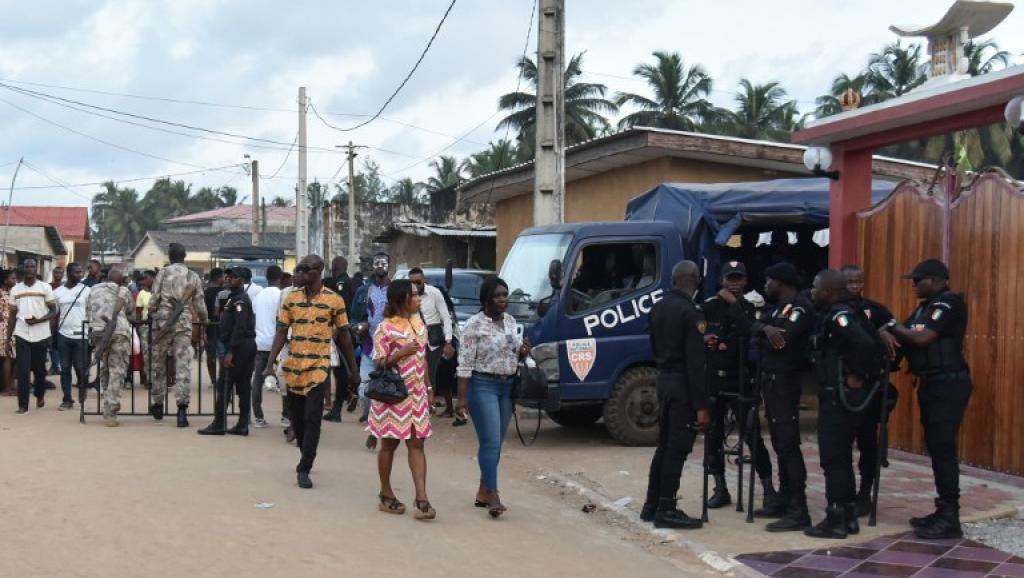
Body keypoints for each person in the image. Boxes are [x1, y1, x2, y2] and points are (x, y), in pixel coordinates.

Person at [883, 259, 971, 540]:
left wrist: (888, 323)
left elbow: (921, 339)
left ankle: (950, 517)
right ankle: (943, 509)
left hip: (949, 383)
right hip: (932, 383)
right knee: (935, 446)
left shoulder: (948, 304)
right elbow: (904, 337)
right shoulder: (925, 307)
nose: (914, 285)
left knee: (943, 448)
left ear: (936, 280)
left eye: (918, 280)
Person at [263, 255, 359, 489]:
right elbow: (281, 332)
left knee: (312, 418)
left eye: (307, 269)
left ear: (319, 271)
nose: (302, 273)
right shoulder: (291, 299)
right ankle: (305, 449)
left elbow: (345, 337)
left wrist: (353, 371)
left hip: (318, 367)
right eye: (300, 268)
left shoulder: (334, 300)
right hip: (294, 367)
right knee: (297, 419)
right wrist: (269, 365)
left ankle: (304, 467)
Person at [805, 269, 887, 539]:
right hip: (838, 395)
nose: (812, 291)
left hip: (839, 398)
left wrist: (857, 375)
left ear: (828, 291)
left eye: (816, 287)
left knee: (834, 459)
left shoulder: (840, 315)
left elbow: (865, 343)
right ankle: (849, 515)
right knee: (840, 457)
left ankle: (836, 518)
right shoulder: (841, 312)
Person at [635, 261, 710, 529]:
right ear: (696, 281)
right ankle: (667, 508)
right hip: (683, 387)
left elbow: (656, 346)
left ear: (673, 279)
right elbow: (696, 364)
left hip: (664, 381)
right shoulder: (692, 313)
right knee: (677, 449)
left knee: (664, 446)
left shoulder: (659, 307)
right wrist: (702, 406)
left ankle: (651, 504)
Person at [701, 261, 778, 512]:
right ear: (721, 281)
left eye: (738, 278)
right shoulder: (709, 307)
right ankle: (720, 487)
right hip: (715, 378)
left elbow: (751, 331)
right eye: (730, 278)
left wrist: (735, 305)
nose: (734, 283)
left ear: (745, 281)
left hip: (741, 379)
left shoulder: (751, 307)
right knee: (713, 435)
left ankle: (768, 489)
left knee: (751, 434)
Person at [456, 276, 531, 519]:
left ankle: (482, 490)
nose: (502, 299)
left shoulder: (510, 321)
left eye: (505, 295)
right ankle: (494, 494)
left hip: (506, 386)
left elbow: (513, 353)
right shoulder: (473, 325)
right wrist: (461, 399)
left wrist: (522, 352)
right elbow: (465, 363)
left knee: (496, 443)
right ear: (486, 299)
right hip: (482, 385)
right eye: (497, 295)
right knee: (489, 441)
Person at [753, 262, 814, 532]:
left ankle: (799, 509)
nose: (766, 285)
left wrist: (765, 332)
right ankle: (784, 499)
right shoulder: (778, 309)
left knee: (788, 444)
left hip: (785, 381)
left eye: (769, 280)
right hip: (771, 380)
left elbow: (783, 340)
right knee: (779, 442)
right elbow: (757, 330)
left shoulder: (800, 308)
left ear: (781, 282)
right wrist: (764, 330)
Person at [368, 279, 436, 520]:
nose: (419, 299)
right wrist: (400, 353)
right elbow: (378, 362)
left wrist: (429, 387)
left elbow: (422, 359)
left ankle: (422, 498)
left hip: (416, 395)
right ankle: (386, 493)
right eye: (414, 295)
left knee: (417, 444)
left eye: (419, 295)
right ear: (401, 299)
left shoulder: (419, 324)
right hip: (393, 395)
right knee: (389, 445)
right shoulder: (385, 328)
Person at [841, 264, 900, 517]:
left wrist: (884, 331)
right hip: (842, 387)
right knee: (840, 446)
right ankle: (844, 494)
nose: (854, 286)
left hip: (870, 388)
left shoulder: (874, 309)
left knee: (867, 443)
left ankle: (864, 493)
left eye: (858, 281)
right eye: (849, 282)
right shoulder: (834, 309)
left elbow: (894, 334)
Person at [149, 243, 208, 427]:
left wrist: (151, 313)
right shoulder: (193, 276)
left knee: (158, 363)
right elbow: (200, 304)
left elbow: (154, 299)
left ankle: (158, 404)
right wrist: (205, 321)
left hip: (163, 322)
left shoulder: (163, 273)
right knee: (183, 365)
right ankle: (182, 409)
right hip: (183, 323)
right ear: (185, 256)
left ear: (169, 256)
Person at [199, 267, 257, 436]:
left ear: (242, 281)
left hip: (239, 347)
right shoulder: (234, 298)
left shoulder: (240, 301)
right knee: (242, 385)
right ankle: (242, 424)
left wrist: (231, 351)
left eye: (233, 277)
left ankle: (219, 423)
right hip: (242, 346)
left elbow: (239, 327)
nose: (228, 279)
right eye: (228, 276)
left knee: (225, 384)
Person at [87, 267, 135, 427]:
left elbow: (88, 310)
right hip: (119, 333)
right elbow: (131, 313)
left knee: (105, 368)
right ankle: (110, 411)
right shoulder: (123, 291)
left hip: (98, 333)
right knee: (117, 371)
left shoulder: (93, 289)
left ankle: (107, 399)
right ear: (121, 280)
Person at [352, 252, 391, 449]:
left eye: (384, 263)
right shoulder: (363, 291)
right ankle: (371, 420)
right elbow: (353, 318)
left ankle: (376, 432)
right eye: (377, 263)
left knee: (387, 392)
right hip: (369, 348)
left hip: (391, 351)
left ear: (389, 266)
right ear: (372, 266)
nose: (380, 266)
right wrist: (359, 326)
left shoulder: (396, 290)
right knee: (365, 393)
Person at [9, 259, 58, 413]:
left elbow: (53, 310)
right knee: (23, 370)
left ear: (36, 269)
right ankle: (23, 405)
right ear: (23, 269)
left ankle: (39, 394)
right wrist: (8, 338)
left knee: (39, 369)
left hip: (41, 333)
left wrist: (39, 320)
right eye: (27, 267)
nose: (30, 269)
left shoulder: (45, 287)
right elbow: (12, 316)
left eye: (32, 267)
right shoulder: (15, 290)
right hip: (21, 332)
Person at [409, 268, 455, 411]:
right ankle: (421, 406)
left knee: (430, 373)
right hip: (415, 339)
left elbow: (446, 317)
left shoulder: (434, 293)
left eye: (418, 281)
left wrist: (448, 341)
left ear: (424, 280)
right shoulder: (408, 295)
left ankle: (428, 406)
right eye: (412, 282)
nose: (416, 285)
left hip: (433, 342)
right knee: (416, 373)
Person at [323, 256, 356, 422]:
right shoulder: (352, 282)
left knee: (340, 370)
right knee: (343, 368)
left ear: (334, 267)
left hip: (339, 331)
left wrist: (336, 328)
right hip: (347, 330)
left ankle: (339, 405)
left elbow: (340, 308)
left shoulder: (340, 284)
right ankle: (349, 394)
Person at [53, 262, 90, 410]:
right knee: (65, 368)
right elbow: (54, 313)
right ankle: (67, 399)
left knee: (80, 367)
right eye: (76, 272)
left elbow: (91, 312)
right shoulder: (58, 292)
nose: (80, 275)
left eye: (80, 272)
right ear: (68, 273)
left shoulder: (87, 291)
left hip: (82, 334)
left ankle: (82, 387)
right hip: (63, 334)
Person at [250, 265, 284, 429]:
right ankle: (286, 416)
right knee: (284, 381)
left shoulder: (259, 296)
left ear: (266, 277)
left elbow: (254, 318)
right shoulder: (281, 296)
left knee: (257, 380)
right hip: (278, 344)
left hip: (260, 343)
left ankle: (258, 417)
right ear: (280, 278)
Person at [202, 268, 226, 387]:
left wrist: (203, 331)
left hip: (208, 328)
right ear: (218, 278)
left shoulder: (204, 293)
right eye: (223, 277)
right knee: (222, 355)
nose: (224, 279)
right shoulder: (225, 292)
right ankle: (221, 379)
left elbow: (201, 312)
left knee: (210, 356)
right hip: (222, 328)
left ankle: (213, 381)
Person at [0, 269, 16, 396]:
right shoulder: (2, 294)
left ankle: (10, 386)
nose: (15, 281)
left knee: (13, 358)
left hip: (11, 328)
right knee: (7, 358)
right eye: (13, 278)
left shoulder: (10, 293)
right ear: (5, 281)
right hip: (4, 329)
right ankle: (7, 388)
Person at [47, 266, 65, 376]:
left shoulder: (65, 287)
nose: (58, 274)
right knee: (50, 344)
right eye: (56, 272)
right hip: (50, 320)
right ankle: (54, 366)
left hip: (61, 320)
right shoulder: (48, 287)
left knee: (58, 345)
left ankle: (56, 366)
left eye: (60, 273)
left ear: (63, 274)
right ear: (53, 274)